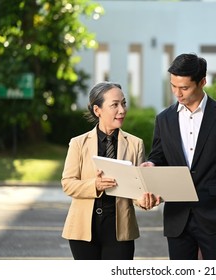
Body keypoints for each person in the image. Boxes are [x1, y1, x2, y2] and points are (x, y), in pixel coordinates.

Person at [141, 53, 216, 260]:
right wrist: (151, 164)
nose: (177, 93)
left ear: (202, 81)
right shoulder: (164, 119)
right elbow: (158, 156)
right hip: (177, 217)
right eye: (173, 86)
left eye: (184, 88)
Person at [61, 81, 160, 260]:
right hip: (83, 229)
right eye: (114, 105)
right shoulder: (78, 143)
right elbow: (68, 184)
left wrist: (144, 200)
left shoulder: (135, 144)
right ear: (97, 110)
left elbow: (138, 189)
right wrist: (95, 185)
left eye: (123, 103)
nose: (122, 110)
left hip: (120, 229)